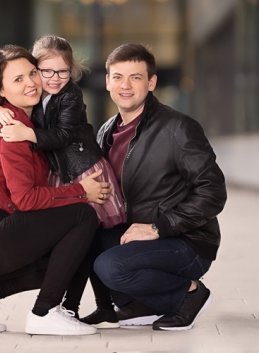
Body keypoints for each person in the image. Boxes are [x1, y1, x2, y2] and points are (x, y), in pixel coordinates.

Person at [0, 45, 113, 336]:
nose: (30, 83)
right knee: (83, 216)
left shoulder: (29, 118)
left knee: (76, 246)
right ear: (1, 90)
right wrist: (81, 191)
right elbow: (26, 199)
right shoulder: (11, 129)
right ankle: (44, 312)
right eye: (17, 80)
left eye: (32, 73)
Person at [80, 43, 227, 331]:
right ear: (108, 81)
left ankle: (189, 294)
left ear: (151, 82)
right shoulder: (107, 130)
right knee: (80, 240)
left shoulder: (178, 128)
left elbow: (213, 192)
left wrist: (158, 227)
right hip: (140, 237)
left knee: (111, 266)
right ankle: (140, 305)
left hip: (186, 241)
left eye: (135, 77)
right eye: (118, 76)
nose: (125, 85)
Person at [0, 35, 125, 230]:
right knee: (65, 227)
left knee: (95, 225)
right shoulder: (33, 95)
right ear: (34, 70)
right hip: (58, 170)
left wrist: (28, 134)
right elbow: (1, 99)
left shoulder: (71, 95)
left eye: (62, 72)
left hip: (82, 167)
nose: (55, 78)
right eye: (47, 71)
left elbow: (64, 135)